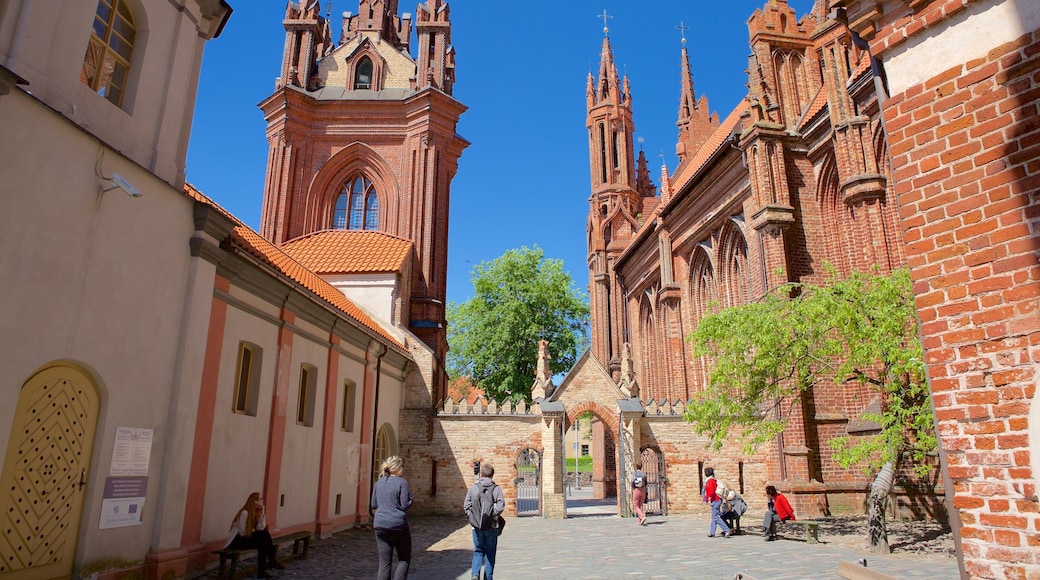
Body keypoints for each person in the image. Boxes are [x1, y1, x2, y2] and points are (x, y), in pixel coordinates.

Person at [371, 456, 414, 579]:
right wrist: (411, 499)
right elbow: (405, 505)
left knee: (384, 563)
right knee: (404, 559)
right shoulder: (402, 482)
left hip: (380, 524)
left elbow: (373, 504)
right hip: (398, 525)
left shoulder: (379, 482)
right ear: (398, 468)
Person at [225, 492, 284, 578]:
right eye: (260, 499)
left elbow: (261, 527)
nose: (262, 500)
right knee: (263, 535)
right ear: (254, 501)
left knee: (263, 541)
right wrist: (254, 532)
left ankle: (263, 570)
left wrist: (262, 512)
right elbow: (242, 533)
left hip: (247, 538)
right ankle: (271, 561)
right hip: (237, 541)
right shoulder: (245, 512)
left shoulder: (256, 512)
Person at [464, 463, 505, 580]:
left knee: (478, 551)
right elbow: (501, 506)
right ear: (492, 475)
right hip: (492, 526)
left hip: (477, 526)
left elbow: (466, 505)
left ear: (481, 474)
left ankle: (475, 574)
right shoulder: (496, 489)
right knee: (490, 554)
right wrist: (493, 514)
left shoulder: (474, 488)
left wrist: (472, 517)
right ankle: (488, 577)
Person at [702, 467, 732, 538]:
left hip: (715, 500)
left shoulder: (710, 481)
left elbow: (711, 491)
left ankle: (727, 529)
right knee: (714, 517)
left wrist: (708, 499)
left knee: (715, 517)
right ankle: (712, 532)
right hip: (716, 500)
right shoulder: (713, 480)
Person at [631, 460, 648, 526]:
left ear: (636, 466)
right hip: (643, 489)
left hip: (636, 489)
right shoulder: (644, 474)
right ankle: (639, 520)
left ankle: (642, 517)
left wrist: (633, 487)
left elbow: (632, 481)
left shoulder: (634, 473)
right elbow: (646, 482)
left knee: (635, 505)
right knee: (640, 505)